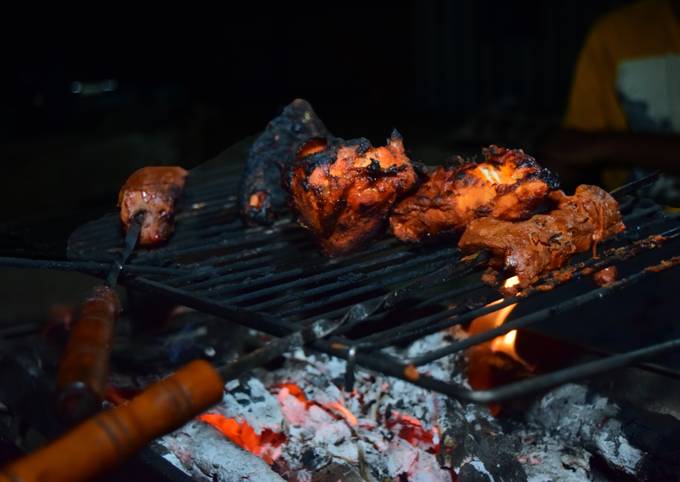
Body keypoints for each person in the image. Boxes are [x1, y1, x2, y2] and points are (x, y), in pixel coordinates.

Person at [542, 0, 680, 203]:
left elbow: (589, 146)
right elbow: (573, 146)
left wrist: (607, 146)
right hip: (633, 217)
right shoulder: (616, 32)